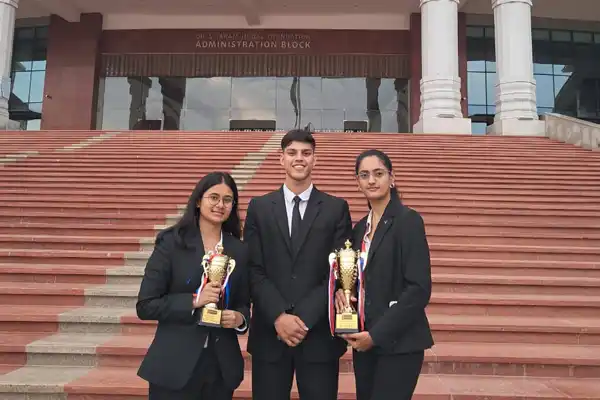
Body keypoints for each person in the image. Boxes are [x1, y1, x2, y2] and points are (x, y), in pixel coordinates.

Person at [243, 129, 353, 400]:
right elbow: (253, 268)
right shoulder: (259, 207)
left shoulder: (336, 208)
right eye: (292, 152)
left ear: (315, 159)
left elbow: (338, 271)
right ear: (281, 159)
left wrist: (302, 319)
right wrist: (279, 316)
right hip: (270, 333)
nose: (299, 158)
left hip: (318, 335)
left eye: (306, 153)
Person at [136, 171, 250, 400]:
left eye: (227, 200)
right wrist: (194, 300)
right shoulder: (171, 242)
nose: (220, 205)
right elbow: (146, 305)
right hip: (174, 365)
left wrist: (239, 319)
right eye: (214, 197)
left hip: (220, 368)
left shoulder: (239, 250)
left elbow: (243, 303)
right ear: (198, 201)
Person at [335, 149, 434, 400]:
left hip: (399, 344)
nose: (371, 180)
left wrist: (376, 335)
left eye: (378, 173)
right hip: (364, 342)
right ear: (357, 182)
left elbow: (418, 289)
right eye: (364, 175)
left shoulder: (408, 221)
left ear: (392, 178)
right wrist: (342, 294)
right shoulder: (359, 230)